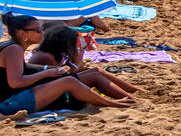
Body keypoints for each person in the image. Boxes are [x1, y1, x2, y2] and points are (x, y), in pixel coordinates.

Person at [0, 13, 130, 115]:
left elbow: (21, 68)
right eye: (37, 30)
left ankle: (130, 97)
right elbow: (15, 82)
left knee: (89, 74)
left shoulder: (10, 46)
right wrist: (46, 72)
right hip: (10, 103)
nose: (42, 33)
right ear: (22, 33)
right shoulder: (14, 49)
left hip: (13, 99)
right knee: (69, 81)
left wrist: (48, 69)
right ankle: (115, 104)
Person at [28, 26, 139, 100]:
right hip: (46, 92)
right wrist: (76, 63)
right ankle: (130, 98)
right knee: (94, 76)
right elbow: (60, 76)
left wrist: (77, 65)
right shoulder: (46, 56)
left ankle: (136, 90)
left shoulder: (50, 52)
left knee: (95, 70)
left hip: (51, 85)